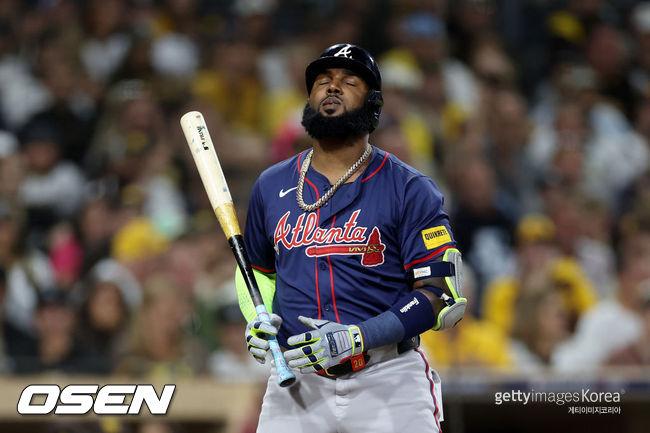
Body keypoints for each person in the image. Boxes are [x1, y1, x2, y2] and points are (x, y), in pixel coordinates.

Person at [237, 44, 466, 433]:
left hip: (388, 378)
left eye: (349, 81)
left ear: (373, 102)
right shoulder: (271, 185)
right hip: (297, 381)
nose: (332, 87)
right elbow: (257, 272)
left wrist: (360, 337)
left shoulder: (410, 189)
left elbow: (440, 294)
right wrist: (255, 319)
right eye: (323, 81)